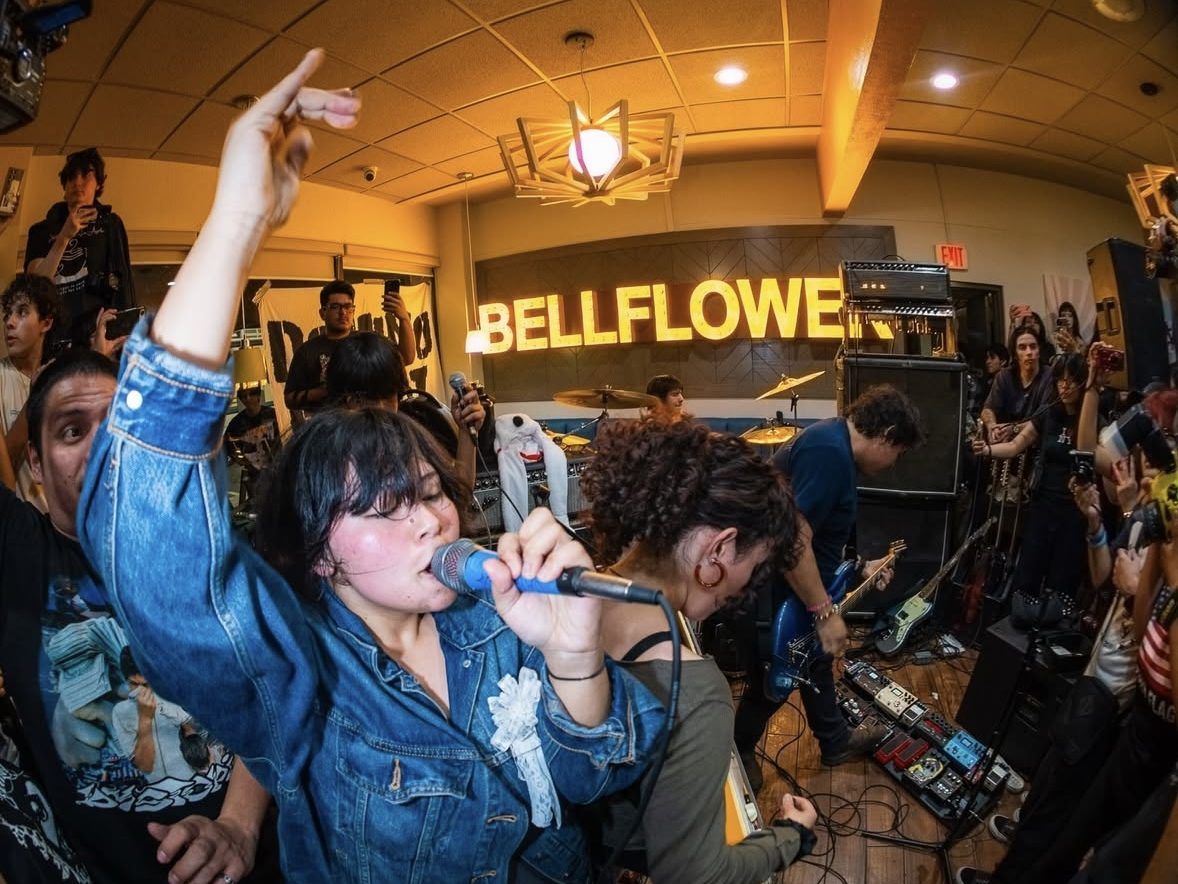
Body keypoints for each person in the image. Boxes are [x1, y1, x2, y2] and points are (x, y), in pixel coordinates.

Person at [76, 50, 662, 882]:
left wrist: (572, 653)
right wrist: (238, 221)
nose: (429, 518)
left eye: (428, 493)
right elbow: (159, 565)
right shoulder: (301, 667)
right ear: (319, 552)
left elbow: (595, 774)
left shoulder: (497, 618)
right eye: (383, 509)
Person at [0, 349, 273, 884]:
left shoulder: (216, 553)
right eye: (73, 432)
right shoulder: (18, 555)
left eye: (120, 427)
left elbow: (267, 703)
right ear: (35, 462)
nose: (103, 450)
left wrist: (238, 826)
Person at [581, 418, 818, 882]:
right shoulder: (696, 691)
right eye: (756, 563)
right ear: (721, 548)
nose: (748, 583)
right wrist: (791, 836)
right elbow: (696, 876)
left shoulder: (572, 595)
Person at [733, 384, 924, 782]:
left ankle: (835, 741)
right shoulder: (830, 453)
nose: (894, 464)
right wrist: (823, 612)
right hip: (772, 590)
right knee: (773, 681)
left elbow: (818, 538)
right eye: (898, 453)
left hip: (791, 588)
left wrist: (860, 566)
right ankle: (740, 750)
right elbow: (794, 540)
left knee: (815, 662)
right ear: (887, 435)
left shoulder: (833, 444)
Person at [974, 353, 1090, 603]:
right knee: (1028, 571)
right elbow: (1017, 445)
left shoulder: (1089, 420)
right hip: (1043, 502)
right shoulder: (1049, 413)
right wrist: (987, 450)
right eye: (1060, 380)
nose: (1065, 386)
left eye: (1071, 380)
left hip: (1073, 509)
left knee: (1062, 577)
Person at [324, 331, 484, 484]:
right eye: (367, 399)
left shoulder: (408, 435)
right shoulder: (323, 452)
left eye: (388, 396)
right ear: (343, 399)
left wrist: (466, 433)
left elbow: (459, 490)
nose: (381, 408)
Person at [25, 148, 136, 322]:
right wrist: (64, 236)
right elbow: (35, 287)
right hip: (52, 333)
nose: (77, 182)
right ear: (64, 185)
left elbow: (121, 279)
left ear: (98, 183)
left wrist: (118, 326)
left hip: (97, 334)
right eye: (71, 177)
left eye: (85, 175)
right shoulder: (41, 230)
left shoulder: (110, 224)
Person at [283, 280, 415, 423]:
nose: (343, 312)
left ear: (354, 310)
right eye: (335, 307)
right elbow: (289, 399)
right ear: (322, 313)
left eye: (348, 306)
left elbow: (406, 358)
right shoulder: (307, 351)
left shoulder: (368, 342)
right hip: (331, 429)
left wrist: (404, 319)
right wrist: (323, 392)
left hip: (372, 423)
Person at [1, 274, 62, 509]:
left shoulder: (57, 380)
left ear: (46, 323)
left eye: (22, 312)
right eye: (8, 314)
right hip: (18, 530)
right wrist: (35, 398)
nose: (9, 322)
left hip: (58, 528)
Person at [981, 325, 1053, 444]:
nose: (1029, 352)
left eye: (1033, 347)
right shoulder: (1004, 376)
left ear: (1039, 351)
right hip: (1006, 443)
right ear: (1015, 354)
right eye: (1022, 348)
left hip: (1037, 442)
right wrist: (992, 426)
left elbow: (1043, 420)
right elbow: (988, 409)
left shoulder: (1049, 375)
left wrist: (1013, 429)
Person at [223, 385, 280, 509]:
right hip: (252, 472)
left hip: (276, 468)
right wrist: (240, 459)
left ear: (258, 396)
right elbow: (228, 447)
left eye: (251, 394)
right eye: (243, 396)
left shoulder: (273, 415)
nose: (247, 399)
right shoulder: (236, 423)